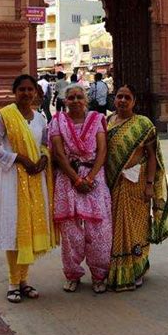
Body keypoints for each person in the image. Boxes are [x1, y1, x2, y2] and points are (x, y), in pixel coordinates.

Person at [0, 74, 57, 303]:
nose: (26, 94)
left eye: (30, 90)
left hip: (35, 179)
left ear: (36, 92)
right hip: (13, 180)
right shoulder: (5, 116)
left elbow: (44, 145)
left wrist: (44, 159)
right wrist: (20, 159)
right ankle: (13, 283)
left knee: (29, 227)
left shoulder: (40, 119)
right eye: (22, 90)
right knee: (16, 228)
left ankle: (24, 280)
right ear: (14, 92)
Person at [106, 84, 168, 292]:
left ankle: (137, 268)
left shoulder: (143, 124)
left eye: (127, 97)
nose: (122, 100)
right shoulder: (107, 122)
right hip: (113, 184)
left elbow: (153, 157)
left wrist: (150, 185)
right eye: (119, 97)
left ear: (134, 101)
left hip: (138, 184)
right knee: (116, 227)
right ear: (114, 100)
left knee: (137, 226)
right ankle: (117, 269)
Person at [49, 84, 112, 294]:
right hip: (69, 178)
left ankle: (99, 274)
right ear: (64, 101)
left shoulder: (96, 119)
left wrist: (91, 177)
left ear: (86, 100)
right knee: (71, 232)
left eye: (79, 97)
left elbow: (102, 150)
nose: (75, 101)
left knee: (99, 230)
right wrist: (76, 179)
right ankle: (72, 274)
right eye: (71, 98)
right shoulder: (58, 121)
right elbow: (58, 153)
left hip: (94, 177)